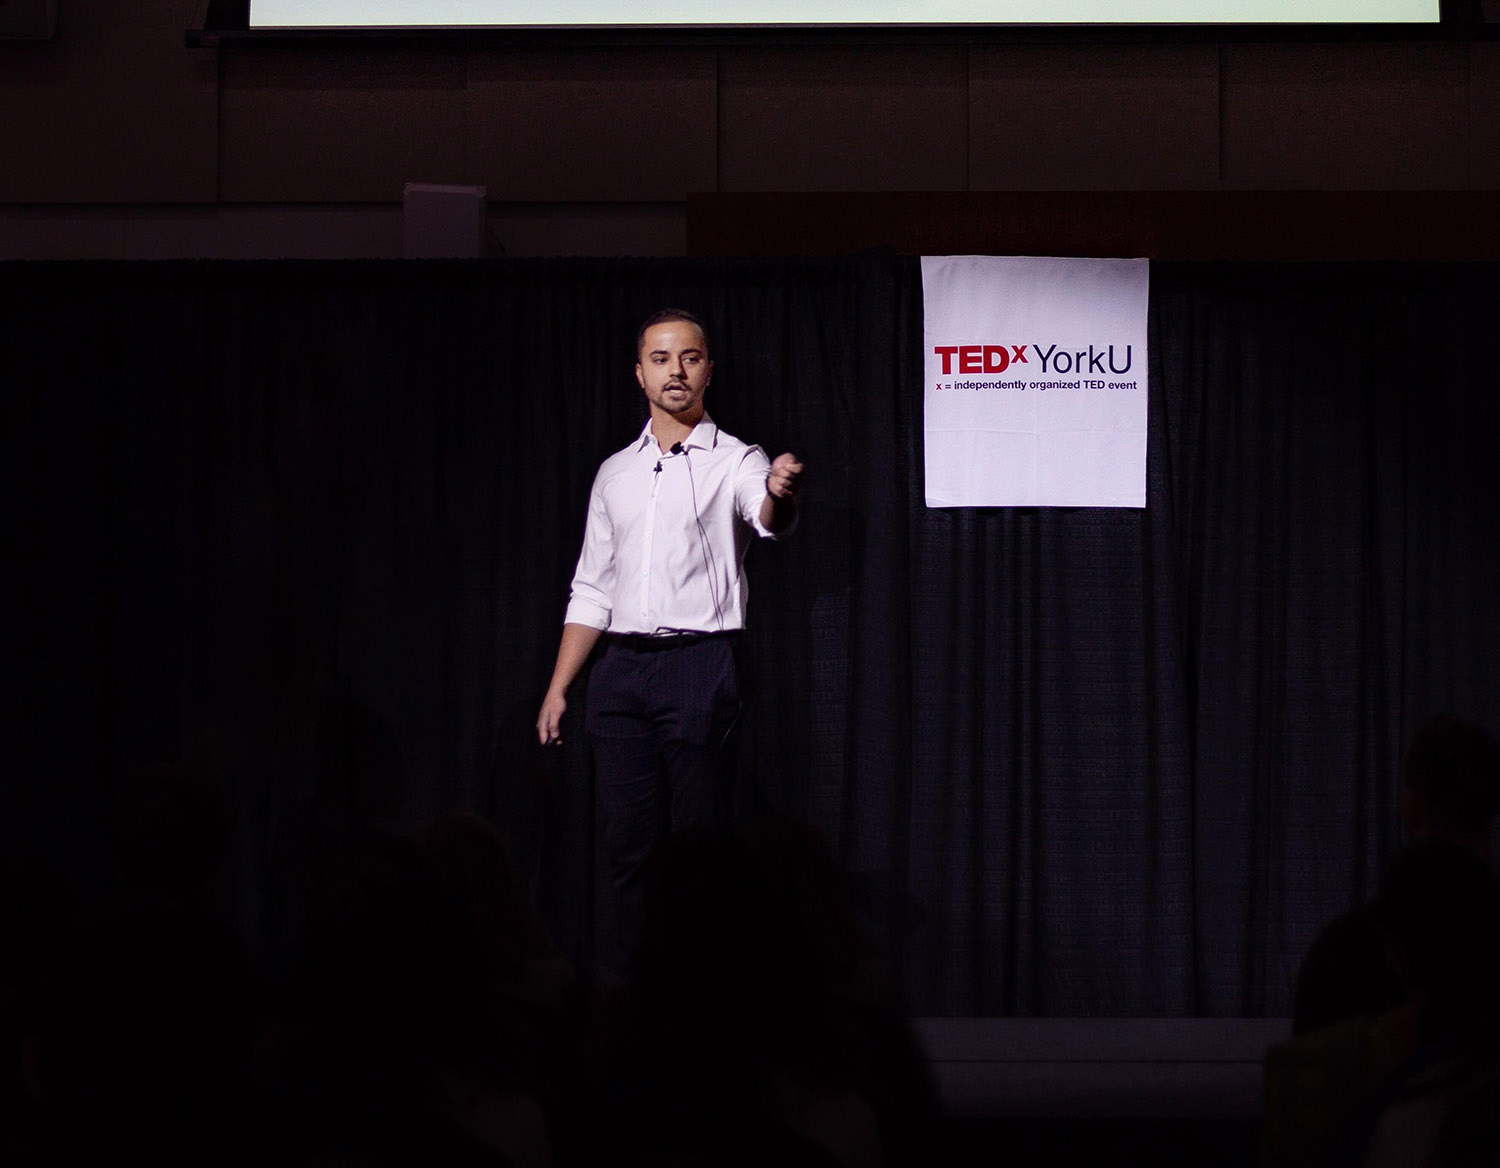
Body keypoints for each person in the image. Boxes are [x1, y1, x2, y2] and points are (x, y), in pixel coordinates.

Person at [535, 308, 802, 963]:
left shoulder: (736, 459)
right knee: (629, 842)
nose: (675, 370)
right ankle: (636, 986)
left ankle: (702, 985)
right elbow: (592, 587)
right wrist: (559, 687)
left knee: (699, 845)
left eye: (689, 357)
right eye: (660, 358)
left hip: (699, 663)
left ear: (708, 370)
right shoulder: (615, 473)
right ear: (639, 373)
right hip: (620, 672)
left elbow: (766, 516)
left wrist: (778, 492)